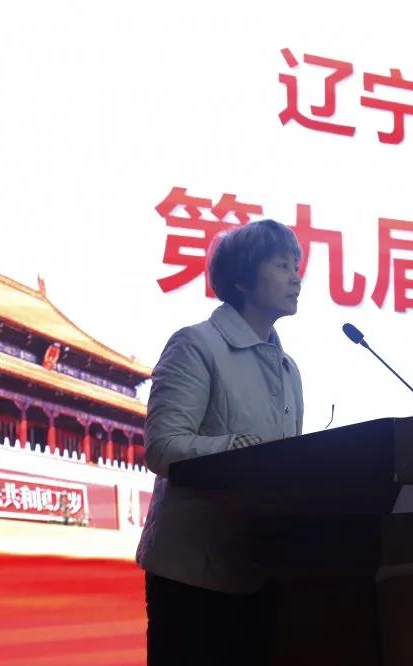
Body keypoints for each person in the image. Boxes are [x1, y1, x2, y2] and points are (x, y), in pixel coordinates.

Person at [136, 219, 304, 665]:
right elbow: (163, 447)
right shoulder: (196, 345)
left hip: (263, 569)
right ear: (242, 280)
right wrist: (244, 449)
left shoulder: (288, 369)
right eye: (281, 265)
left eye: (296, 265)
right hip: (192, 576)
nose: (296, 277)